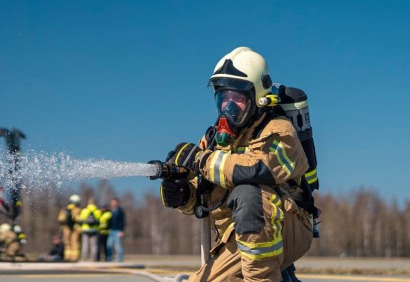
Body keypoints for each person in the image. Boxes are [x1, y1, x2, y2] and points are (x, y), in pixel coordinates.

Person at [160, 47, 314, 282]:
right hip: (235, 238)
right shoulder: (212, 140)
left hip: (288, 230)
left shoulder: (279, 130)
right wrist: (183, 194)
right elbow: (206, 200)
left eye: (237, 100)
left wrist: (200, 160)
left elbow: (256, 169)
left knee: (248, 191)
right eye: (223, 99)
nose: (228, 108)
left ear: (257, 98)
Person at [57, 194, 82, 261]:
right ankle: (75, 257)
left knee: (67, 243)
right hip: (75, 228)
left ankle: (67, 257)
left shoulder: (64, 209)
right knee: (75, 242)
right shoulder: (78, 210)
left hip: (66, 228)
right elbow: (78, 220)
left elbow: (60, 219)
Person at [78, 198, 101, 262]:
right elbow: (100, 221)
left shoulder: (84, 210)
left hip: (85, 230)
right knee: (94, 246)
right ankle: (94, 259)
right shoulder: (97, 211)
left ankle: (84, 258)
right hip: (94, 230)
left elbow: (80, 220)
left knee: (85, 245)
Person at [107, 197, 125, 262]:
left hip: (117, 231)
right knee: (109, 245)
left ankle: (120, 260)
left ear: (117, 203)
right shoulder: (110, 211)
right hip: (111, 230)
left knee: (118, 246)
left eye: (114, 202)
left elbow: (122, 221)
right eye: (112, 202)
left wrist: (122, 231)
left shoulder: (120, 211)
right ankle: (109, 259)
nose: (113, 203)